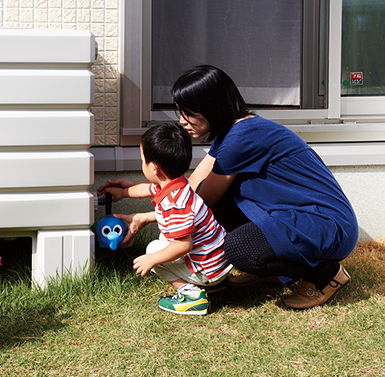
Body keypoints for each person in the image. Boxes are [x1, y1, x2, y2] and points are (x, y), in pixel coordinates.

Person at [99, 65, 358, 310]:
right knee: (220, 213)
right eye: (181, 111)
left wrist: (144, 217)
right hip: (294, 217)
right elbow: (189, 191)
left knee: (240, 250)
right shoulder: (232, 132)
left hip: (324, 224)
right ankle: (277, 274)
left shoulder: (242, 137)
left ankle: (324, 273)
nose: (183, 121)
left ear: (213, 107)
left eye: (190, 112)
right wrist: (135, 187)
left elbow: (202, 201)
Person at [105, 122, 232, 316]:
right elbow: (146, 188)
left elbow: (183, 245)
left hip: (208, 266)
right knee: (165, 239)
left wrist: (152, 260)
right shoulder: (177, 183)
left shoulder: (175, 204)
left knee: (154, 249)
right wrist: (123, 191)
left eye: (142, 160)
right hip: (217, 258)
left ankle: (192, 296)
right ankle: (216, 286)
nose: (142, 164)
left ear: (154, 168)